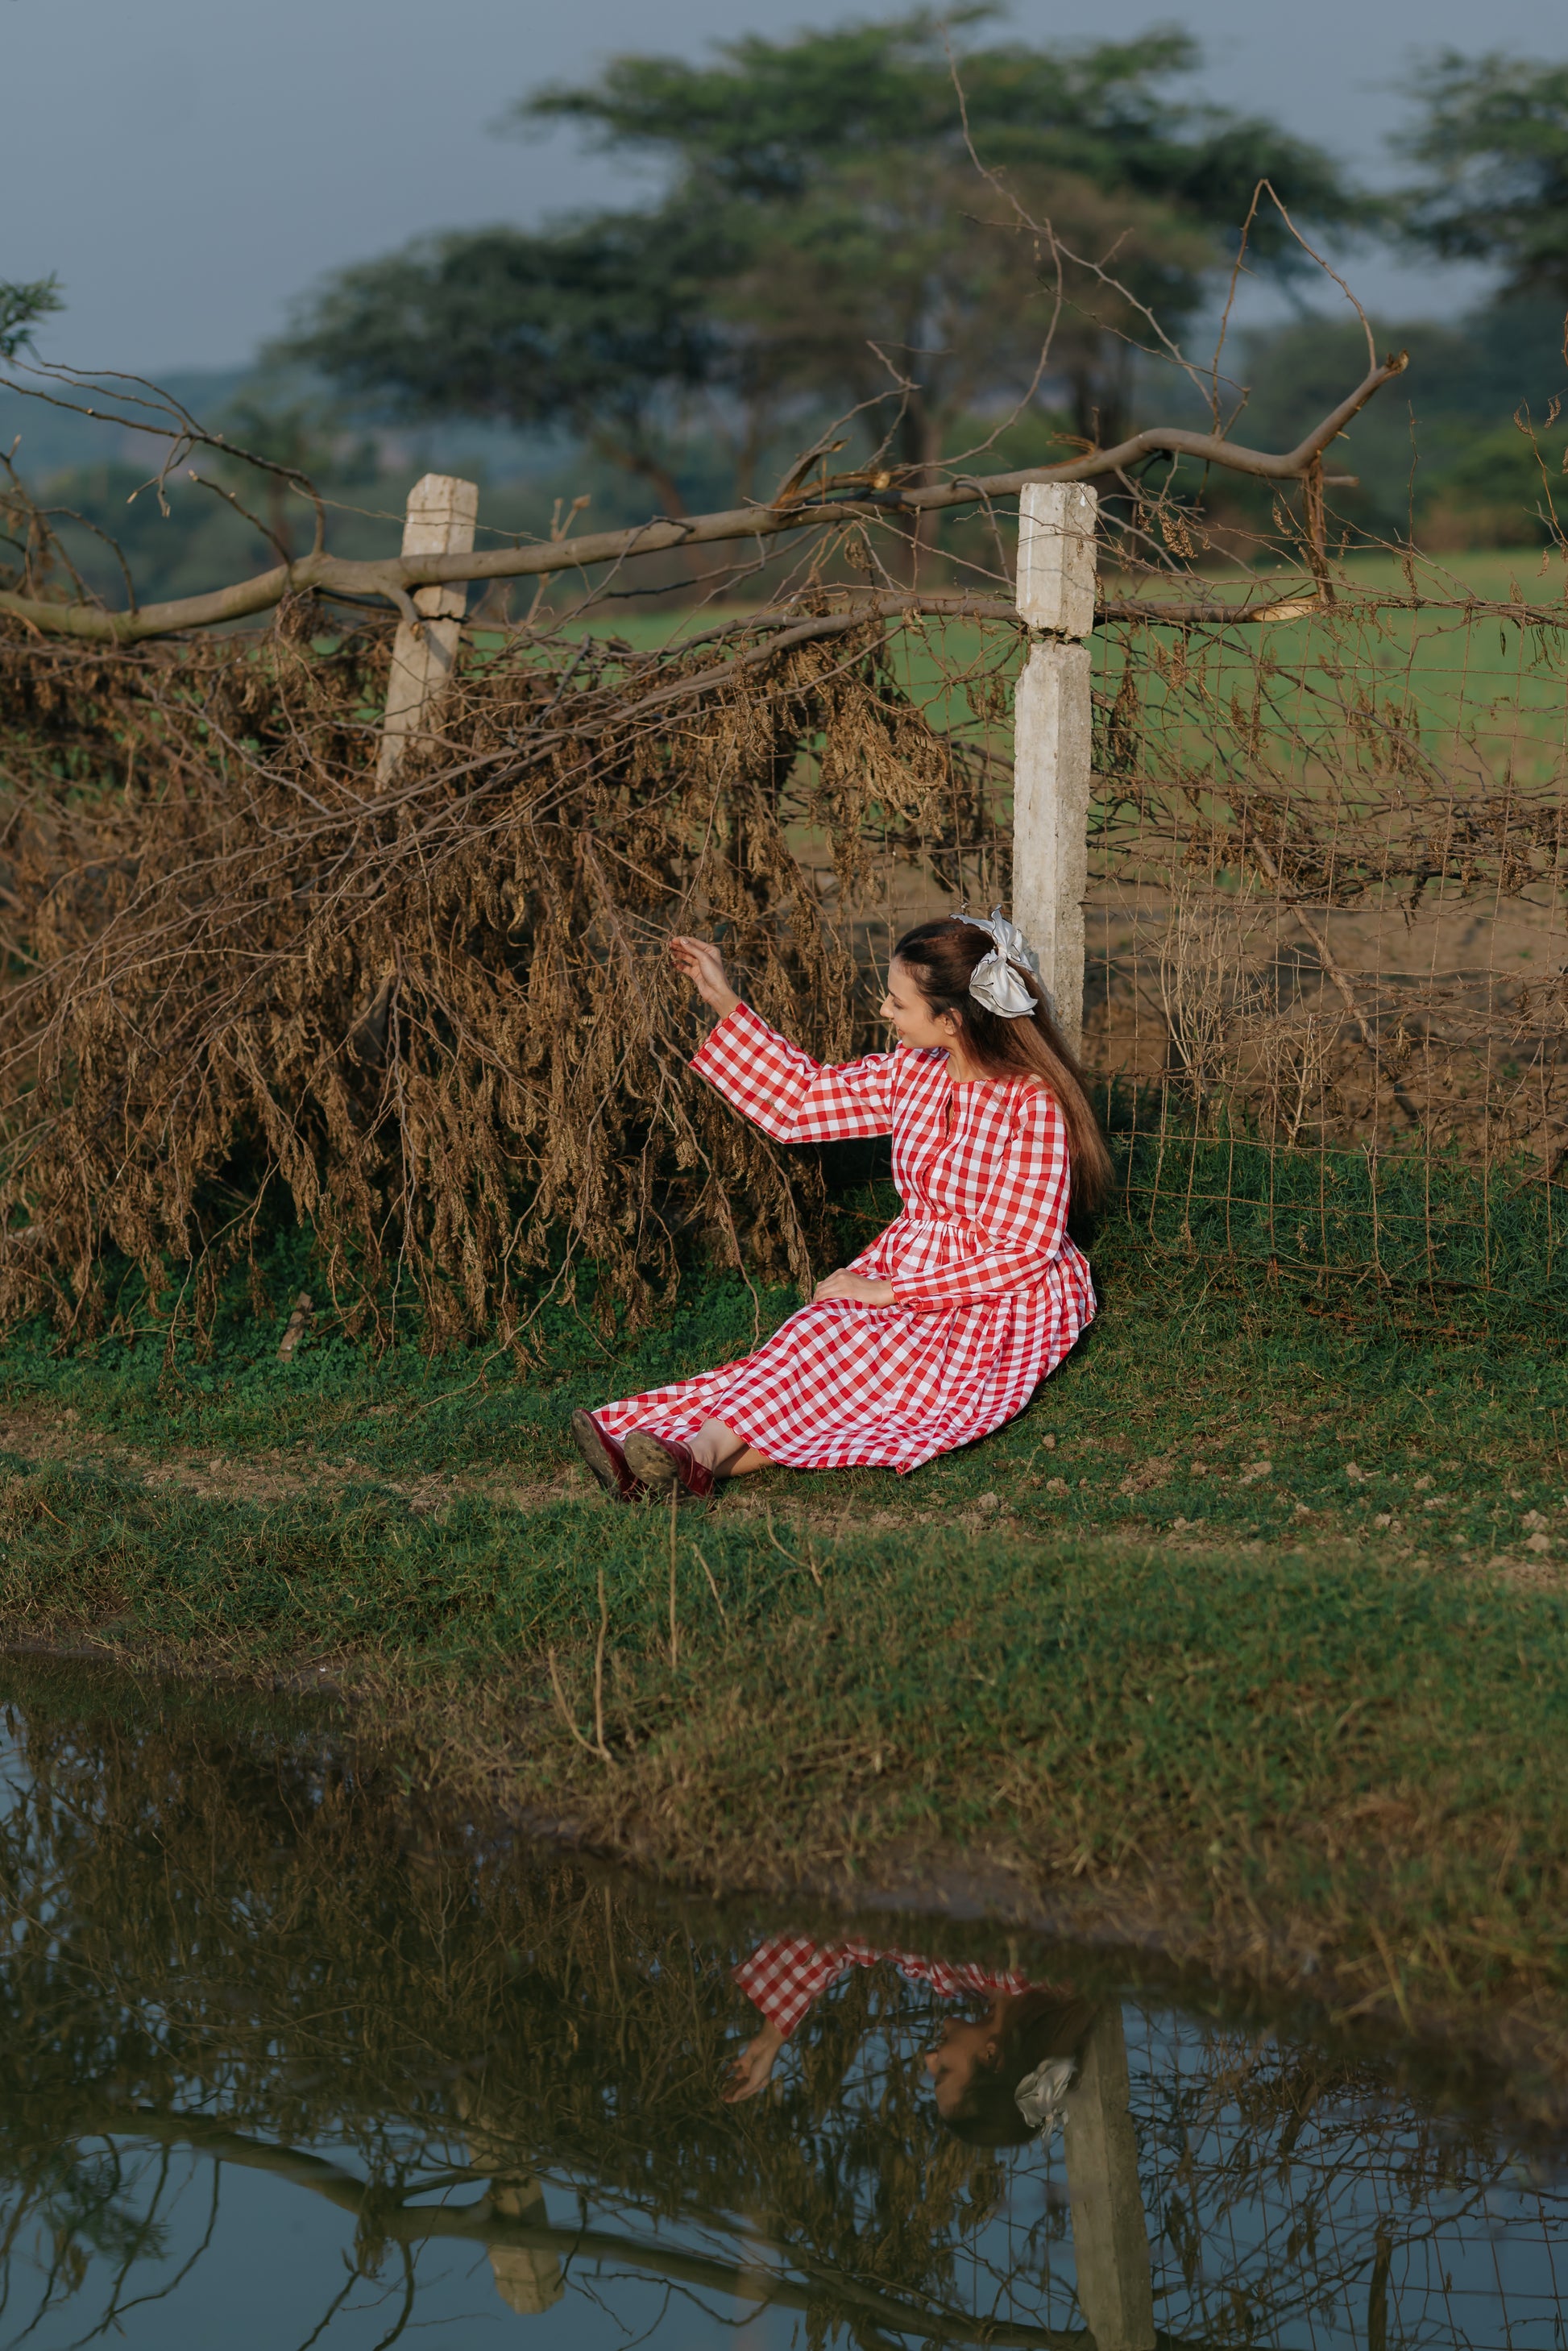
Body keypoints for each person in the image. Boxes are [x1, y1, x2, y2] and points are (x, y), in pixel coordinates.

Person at [570, 910, 1111, 1503]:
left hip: (996, 1293)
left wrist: (889, 1292)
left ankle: (684, 1460)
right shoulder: (915, 1070)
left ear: (951, 1020)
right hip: (911, 1263)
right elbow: (803, 1100)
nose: (884, 1011)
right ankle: (686, 1464)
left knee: (844, 1358)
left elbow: (1023, 1251)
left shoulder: (1030, 1104)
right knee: (818, 1338)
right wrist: (723, 999)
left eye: (898, 1003)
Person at [722, 1932, 1097, 2149]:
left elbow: (849, 1936)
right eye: (944, 2072)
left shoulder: (968, 1981)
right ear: (992, 2056)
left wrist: (770, 2039)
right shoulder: (1022, 1961)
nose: (930, 2059)